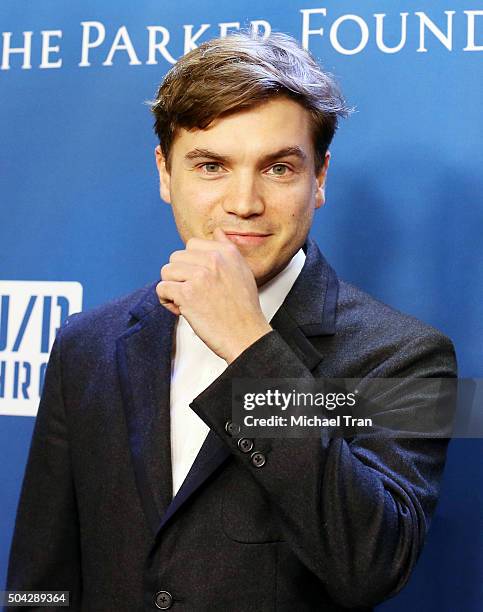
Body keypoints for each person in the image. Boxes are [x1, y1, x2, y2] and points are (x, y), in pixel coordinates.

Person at [7, 32, 456, 611]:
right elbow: (40, 578)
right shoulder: (87, 344)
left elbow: (372, 565)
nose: (243, 202)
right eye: (212, 165)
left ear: (318, 178)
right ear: (165, 173)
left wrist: (250, 348)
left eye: (278, 168)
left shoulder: (409, 356)